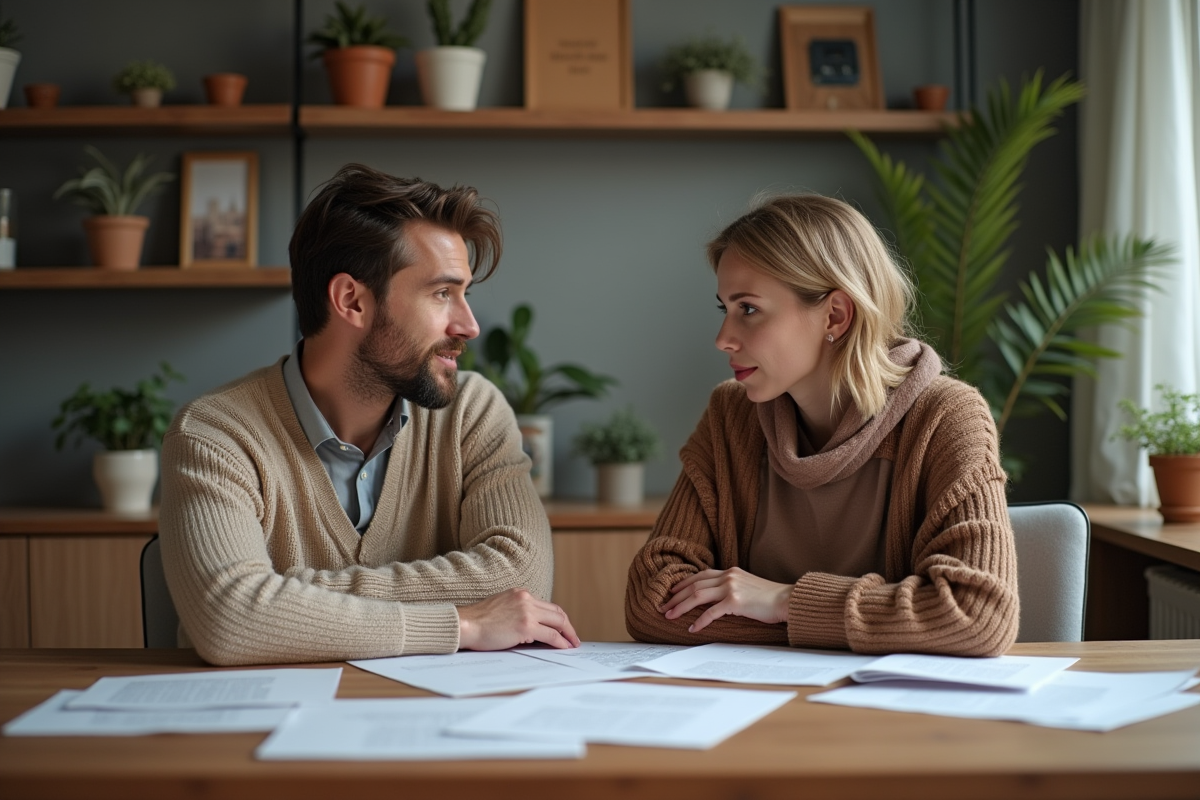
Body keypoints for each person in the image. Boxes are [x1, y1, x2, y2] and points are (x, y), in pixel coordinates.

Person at [160, 164, 578, 666]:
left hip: (432, 724)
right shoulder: (215, 433)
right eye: (442, 293)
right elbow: (230, 620)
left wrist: (284, 596)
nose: (468, 325)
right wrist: (462, 622)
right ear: (352, 300)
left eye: (464, 294)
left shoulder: (473, 412)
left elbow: (521, 582)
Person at [625, 194, 1018, 656]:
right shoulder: (731, 416)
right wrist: (864, 625)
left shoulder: (946, 418)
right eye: (724, 309)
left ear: (835, 314)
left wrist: (783, 601)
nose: (723, 339)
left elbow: (977, 615)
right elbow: (653, 601)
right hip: (751, 707)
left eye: (748, 309)